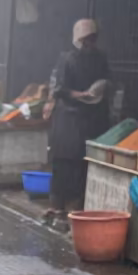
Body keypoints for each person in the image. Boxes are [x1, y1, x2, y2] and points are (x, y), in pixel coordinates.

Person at [47, 19, 110, 217]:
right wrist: (80, 95)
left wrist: (102, 88)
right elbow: (59, 89)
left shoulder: (100, 58)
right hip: (68, 120)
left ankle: (76, 207)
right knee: (63, 164)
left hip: (91, 118)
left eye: (92, 39)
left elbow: (107, 79)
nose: (89, 44)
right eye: (85, 40)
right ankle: (57, 207)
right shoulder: (67, 59)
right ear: (78, 40)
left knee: (81, 165)